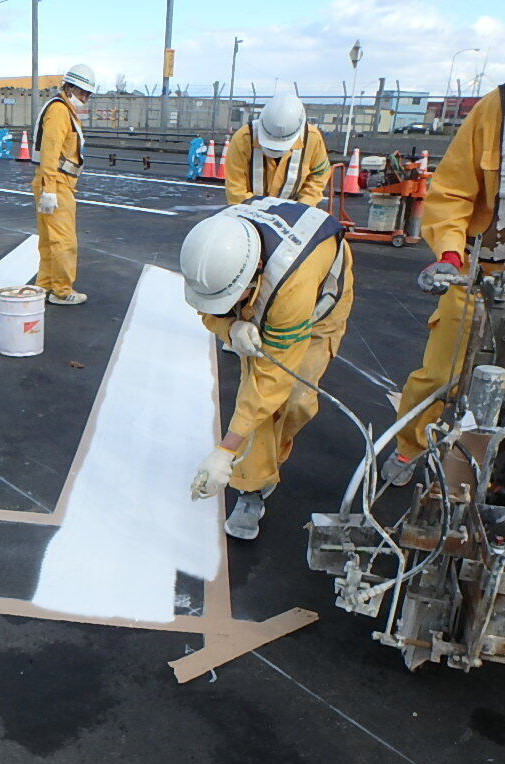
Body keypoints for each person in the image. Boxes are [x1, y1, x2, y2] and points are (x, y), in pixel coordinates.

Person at [183, 197, 354, 539]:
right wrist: (228, 326)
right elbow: (207, 305)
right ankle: (253, 488)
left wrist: (225, 449)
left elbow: (271, 381)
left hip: (318, 304)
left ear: (256, 270)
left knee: (295, 398)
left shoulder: (293, 284)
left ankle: (266, 455)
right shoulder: (214, 247)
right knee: (259, 405)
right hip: (269, 285)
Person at [382, 84, 505, 485]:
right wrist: (451, 256)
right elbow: (451, 191)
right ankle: (409, 446)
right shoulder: (496, 109)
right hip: (478, 273)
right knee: (440, 374)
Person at [31, 64, 95, 306]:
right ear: (68, 87)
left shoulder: (64, 109)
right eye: (81, 93)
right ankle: (62, 290)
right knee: (64, 240)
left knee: (49, 240)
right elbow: (50, 151)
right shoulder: (59, 111)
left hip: (53, 181)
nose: (84, 98)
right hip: (56, 182)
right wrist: (49, 189)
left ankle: (46, 285)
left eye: (87, 94)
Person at [224, 91, 331, 207]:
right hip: (249, 212)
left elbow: (319, 175)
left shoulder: (312, 138)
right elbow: (236, 189)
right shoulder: (243, 139)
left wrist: (302, 207)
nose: (275, 152)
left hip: (292, 214)